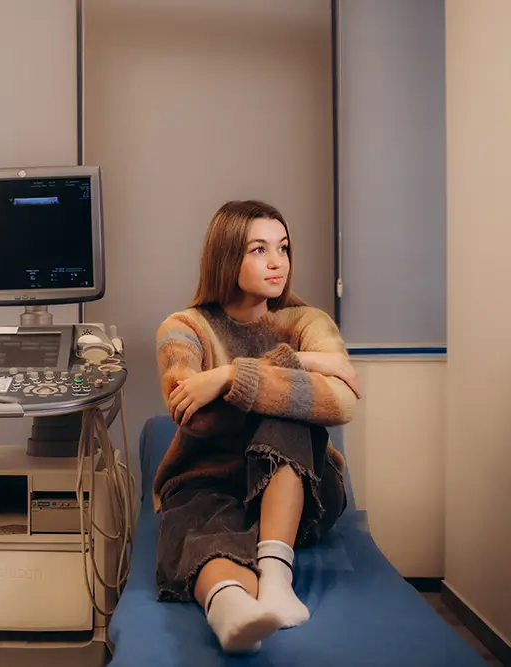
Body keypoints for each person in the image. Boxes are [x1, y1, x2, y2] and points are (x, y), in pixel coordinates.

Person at [152, 200, 360, 653]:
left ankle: (277, 578)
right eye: (259, 250)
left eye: (283, 248)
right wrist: (299, 365)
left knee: (286, 413)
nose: (277, 262)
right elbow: (194, 414)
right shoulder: (183, 328)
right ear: (227, 257)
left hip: (304, 490)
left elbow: (340, 401)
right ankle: (233, 612)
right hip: (210, 483)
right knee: (200, 523)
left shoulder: (307, 322)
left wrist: (229, 375)